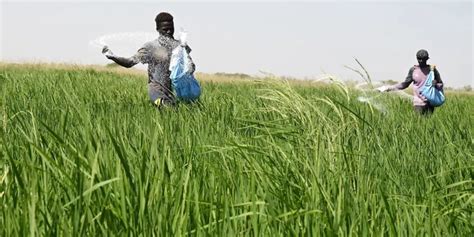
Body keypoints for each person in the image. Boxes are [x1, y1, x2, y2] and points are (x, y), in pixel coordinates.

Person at [102, 12, 195, 108]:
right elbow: (129, 62)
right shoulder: (151, 47)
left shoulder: (180, 46)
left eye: (171, 29)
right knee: (168, 109)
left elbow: (191, 67)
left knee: (177, 114)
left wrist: (188, 65)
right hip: (157, 92)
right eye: (165, 29)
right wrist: (113, 57)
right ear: (157, 29)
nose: (168, 32)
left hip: (176, 93)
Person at [378, 49, 444, 115]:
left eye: (423, 59)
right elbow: (404, 84)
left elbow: (440, 84)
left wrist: (435, 84)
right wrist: (388, 88)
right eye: (419, 59)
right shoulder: (413, 70)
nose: (421, 61)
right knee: (418, 122)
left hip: (430, 102)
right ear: (416, 58)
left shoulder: (432, 70)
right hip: (418, 103)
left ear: (427, 59)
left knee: (428, 123)